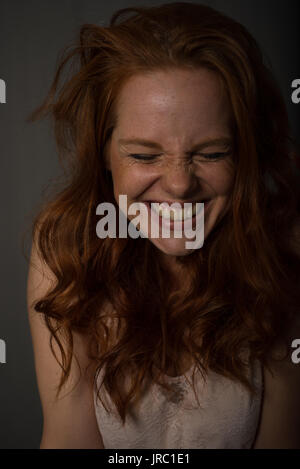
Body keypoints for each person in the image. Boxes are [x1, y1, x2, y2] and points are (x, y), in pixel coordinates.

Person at [27, 2, 300, 449]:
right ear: (103, 155)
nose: (178, 185)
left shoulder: (284, 248)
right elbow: (66, 438)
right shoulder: (65, 249)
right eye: (144, 155)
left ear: (245, 153)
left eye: (211, 153)